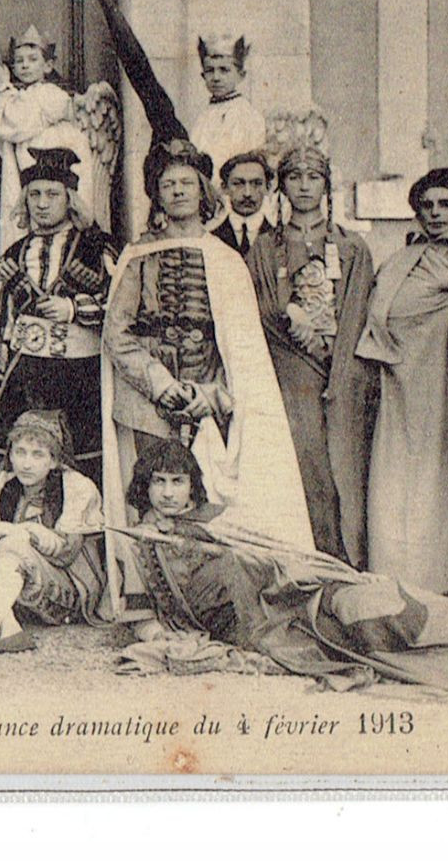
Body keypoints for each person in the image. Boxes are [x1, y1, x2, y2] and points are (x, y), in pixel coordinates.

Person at [112, 440, 448, 692]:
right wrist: (167, 642)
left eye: (178, 481)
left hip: (298, 596)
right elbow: (142, 621)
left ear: (193, 485)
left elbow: (283, 560)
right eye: (159, 482)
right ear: (145, 487)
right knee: (378, 633)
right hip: (267, 630)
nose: (169, 493)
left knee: (382, 604)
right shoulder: (139, 545)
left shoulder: (223, 522)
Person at [99, 137, 311, 593]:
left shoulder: (225, 260)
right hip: (145, 402)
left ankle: (206, 594)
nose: (177, 192)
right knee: (150, 494)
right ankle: (152, 594)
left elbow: (239, 348)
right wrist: (159, 384)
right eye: (167, 184)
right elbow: (117, 333)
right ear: (156, 195)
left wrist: (207, 395)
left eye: (186, 184)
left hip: (206, 402)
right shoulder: (137, 255)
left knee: (203, 497)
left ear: (203, 193)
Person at [357, 167, 448, 595]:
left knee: (444, 480)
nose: (434, 214)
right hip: (399, 387)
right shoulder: (403, 259)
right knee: (396, 482)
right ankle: (401, 580)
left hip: (447, 383)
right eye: (427, 206)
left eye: (445, 205)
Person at [247, 129, 377, 565]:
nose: (304, 185)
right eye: (295, 176)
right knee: (307, 470)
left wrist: (335, 361)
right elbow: (263, 312)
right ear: (281, 186)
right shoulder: (265, 248)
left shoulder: (352, 246)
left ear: (326, 185)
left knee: (348, 470)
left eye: (313, 176)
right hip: (291, 375)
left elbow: (359, 313)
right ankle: (313, 564)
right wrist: (298, 331)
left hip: (344, 375)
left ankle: (352, 563)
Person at [0, 148, 114, 479]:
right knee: (26, 466)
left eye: (52, 194)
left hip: (82, 378)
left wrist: (75, 309)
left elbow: (120, 310)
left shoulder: (96, 248)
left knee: (84, 470)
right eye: (34, 194)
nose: (42, 203)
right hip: (27, 379)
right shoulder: (15, 254)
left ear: (70, 199)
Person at [0, 411, 108, 657]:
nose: (26, 463)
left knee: (12, 545)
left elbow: (66, 553)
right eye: (19, 452)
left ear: (54, 460)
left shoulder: (75, 486)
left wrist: (15, 531)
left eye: (37, 454)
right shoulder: (6, 483)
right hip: (12, 589)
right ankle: (9, 629)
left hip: (66, 590)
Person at [0, 26, 96, 250]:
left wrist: (3, 87)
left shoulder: (50, 95)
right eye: (19, 61)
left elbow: (16, 122)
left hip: (52, 172)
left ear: (48, 65)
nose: (25, 65)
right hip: (30, 171)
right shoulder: (24, 96)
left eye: (32, 59)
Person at [189, 34, 266, 176]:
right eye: (210, 71)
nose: (216, 78)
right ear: (203, 76)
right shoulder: (202, 117)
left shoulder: (248, 116)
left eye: (224, 70)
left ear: (241, 75)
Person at [211, 150, 272, 257]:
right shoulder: (212, 239)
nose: (247, 193)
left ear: (268, 188)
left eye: (257, 184)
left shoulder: (280, 239)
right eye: (238, 183)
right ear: (224, 187)